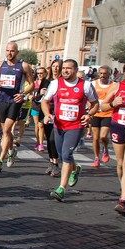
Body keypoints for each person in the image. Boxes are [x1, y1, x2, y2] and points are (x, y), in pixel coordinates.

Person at [42, 59, 98, 202]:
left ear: (76, 69)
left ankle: (61, 188)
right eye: (64, 68)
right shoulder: (55, 84)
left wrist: (89, 114)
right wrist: (47, 114)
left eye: (69, 68)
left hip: (75, 126)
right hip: (59, 125)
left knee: (66, 155)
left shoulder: (85, 85)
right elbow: (44, 101)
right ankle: (75, 169)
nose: (65, 71)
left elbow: (95, 103)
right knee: (62, 155)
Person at [0, 42, 34, 171]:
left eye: (12, 51)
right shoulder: (0, 64)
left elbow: (32, 84)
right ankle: (11, 151)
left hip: (15, 101)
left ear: (17, 52)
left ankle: (0, 159)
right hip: (2, 100)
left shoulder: (23, 66)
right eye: (7, 50)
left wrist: (23, 94)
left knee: (7, 130)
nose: (9, 53)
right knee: (6, 132)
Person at [100, 62, 125, 215]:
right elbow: (103, 107)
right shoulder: (117, 87)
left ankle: (123, 200)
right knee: (120, 164)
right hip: (118, 127)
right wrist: (113, 103)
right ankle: (124, 188)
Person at [90, 66, 113, 167]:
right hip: (95, 113)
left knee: (103, 137)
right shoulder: (94, 84)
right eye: (101, 73)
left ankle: (105, 148)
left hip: (108, 113)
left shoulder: (113, 85)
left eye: (105, 73)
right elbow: (88, 96)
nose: (103, 75)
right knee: (95, 138)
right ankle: (96, 158)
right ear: (98, 74)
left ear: (109, 74)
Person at [30, 67, 49, 151]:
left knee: (41, 125)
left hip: (44, 106)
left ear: (45, 74)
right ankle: (37, 141)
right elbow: (29, 93)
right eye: (38, 73)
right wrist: (30, 96)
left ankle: (41, 144)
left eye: (41, 73)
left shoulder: (48, 83)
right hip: (35, 106)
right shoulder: (34, 83)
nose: (40, 75)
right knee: (36, 125)